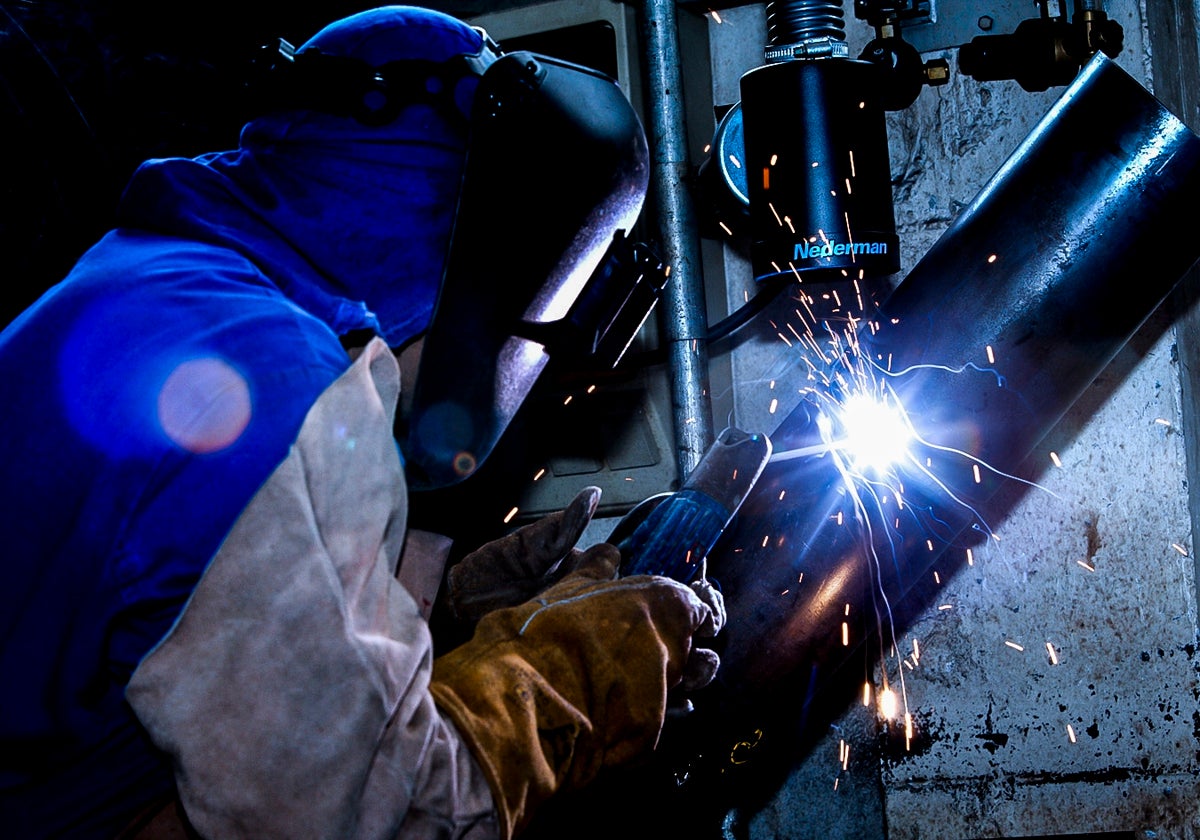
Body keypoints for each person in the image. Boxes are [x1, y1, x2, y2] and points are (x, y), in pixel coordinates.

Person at [0, 6, 725, 838]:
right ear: (486, 254)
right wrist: (563, 683)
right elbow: (372, 821)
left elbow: (185, 646)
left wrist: (440, 615)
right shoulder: (285, 384)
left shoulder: (154, 278)